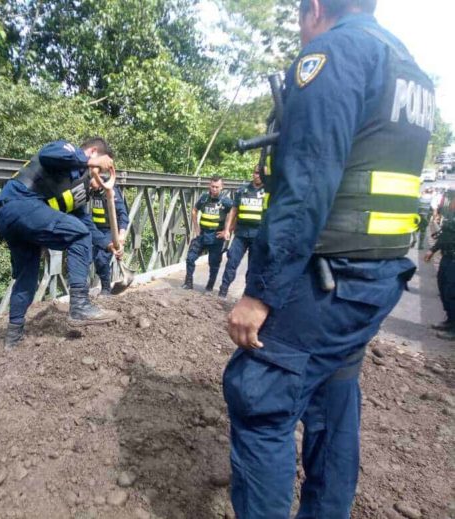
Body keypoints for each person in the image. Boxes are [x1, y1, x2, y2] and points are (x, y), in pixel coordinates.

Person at [223, 1, 434, 518]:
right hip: (375, 278)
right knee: (333, 401)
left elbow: (308, 183)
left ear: (314, 8)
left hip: (327, 279)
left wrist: (259, 292)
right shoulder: (410, 68)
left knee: (259, 399)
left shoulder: (334, 52)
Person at [0, 138, 123, 350]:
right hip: (19, 204)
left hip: (18, 218)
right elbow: (47, 155)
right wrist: (89, 162)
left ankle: (13, 336)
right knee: (79, 236)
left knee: (27, 277)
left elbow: (86, 225)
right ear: (92, 152)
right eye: (104, 167)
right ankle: (80, 305)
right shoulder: (67, 150)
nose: (103, 176)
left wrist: (108, 244)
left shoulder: (80, 193)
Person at [218, 166, 265, 298]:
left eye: (260, 173)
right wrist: (227, 229)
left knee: (254, 267)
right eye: (256, 172)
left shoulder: (269, 191)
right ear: (253, 173)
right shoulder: (242, 189)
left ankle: (248, 296)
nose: (258, 175)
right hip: (241, 233)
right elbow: (234, 210)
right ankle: (223, 291)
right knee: (232, 261)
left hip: (258, 235)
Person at [182, 176, 233, 291]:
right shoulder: (204, 198)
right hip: (203, 234)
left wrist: (227, 230)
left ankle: (210, 286)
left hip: (216, 236)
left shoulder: (226, 201)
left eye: (217, 187)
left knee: (214, 264)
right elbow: (194, 210)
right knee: (190, 258)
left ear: (221, 187)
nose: (214, 189)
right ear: (209, 186)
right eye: (212, 186)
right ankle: (188, 283)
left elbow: (233, 212)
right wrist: (196, 228)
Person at [89, 176, 129, 296]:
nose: (89, 185)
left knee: (101, 258)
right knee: (90, 257)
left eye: (92, 182)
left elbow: (123, 214)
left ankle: (106, 289)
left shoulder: (111, 191)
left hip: (110, 230)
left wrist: (121, 234)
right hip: (96, 231)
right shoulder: (91, 191)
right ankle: (82, 291)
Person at [426, 193, 455, 339]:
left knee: (452, 292)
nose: (450, 203)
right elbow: (445, 236)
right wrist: (433, 250)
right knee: (444, 289)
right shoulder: (452, 217)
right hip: (447, 257)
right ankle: (450, 320)